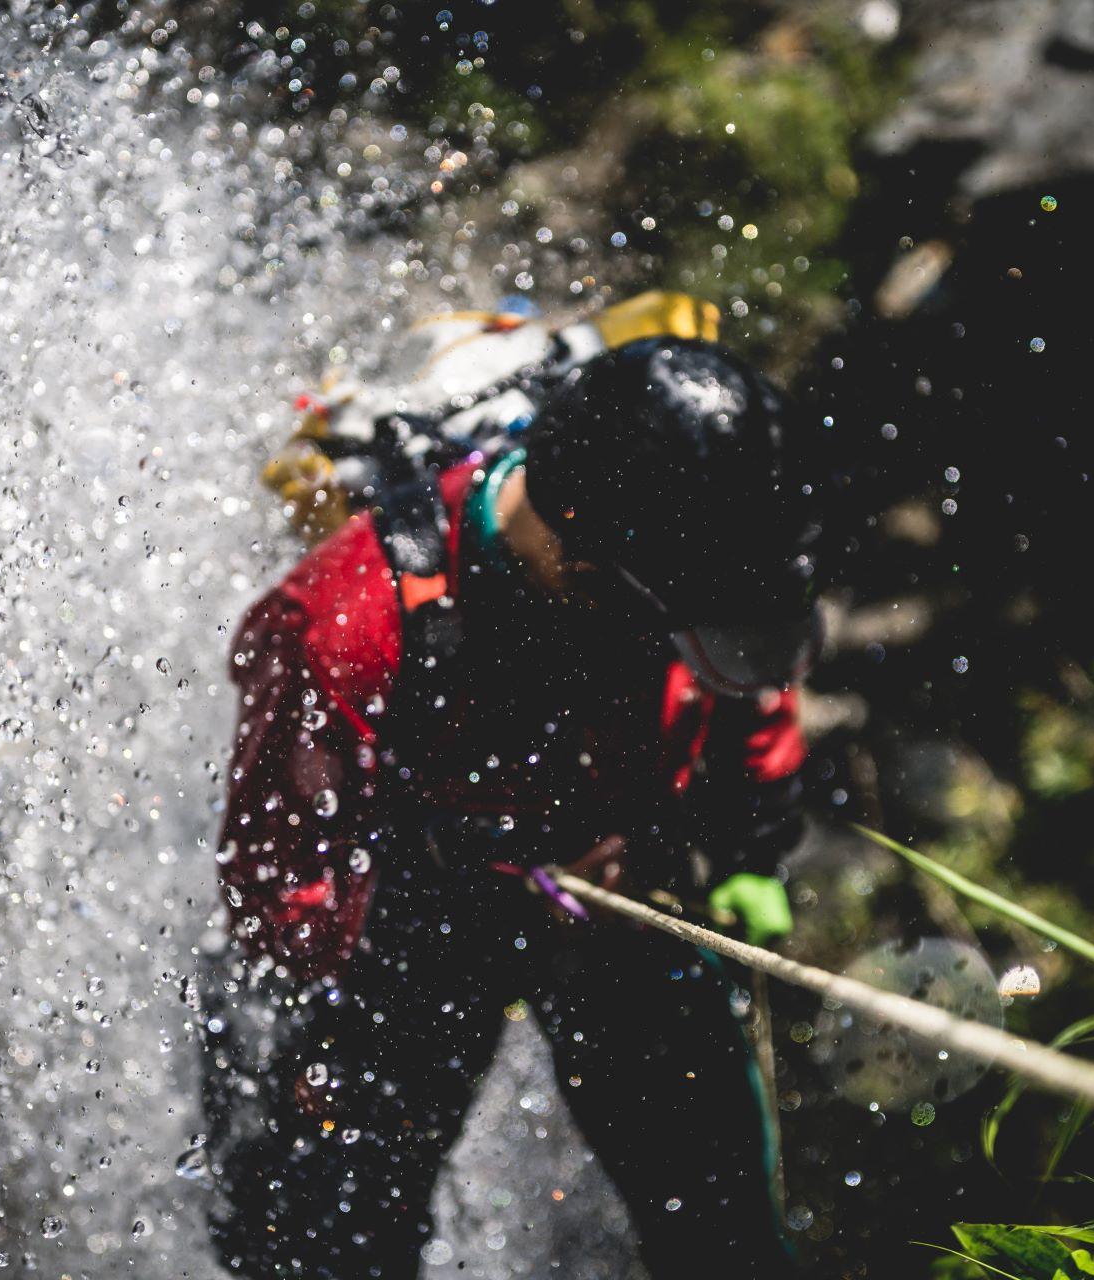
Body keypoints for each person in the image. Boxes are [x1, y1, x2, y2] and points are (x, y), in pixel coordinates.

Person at [206, 338, 825, 1278]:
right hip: (406, 934)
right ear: (576, 547)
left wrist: (749, 848)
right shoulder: (346, 621)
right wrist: (436, 903)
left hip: (622, 897)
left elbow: (748, 692)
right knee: (333, 1246)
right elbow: (280, 879)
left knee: (725, 1236)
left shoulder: (685, 566)